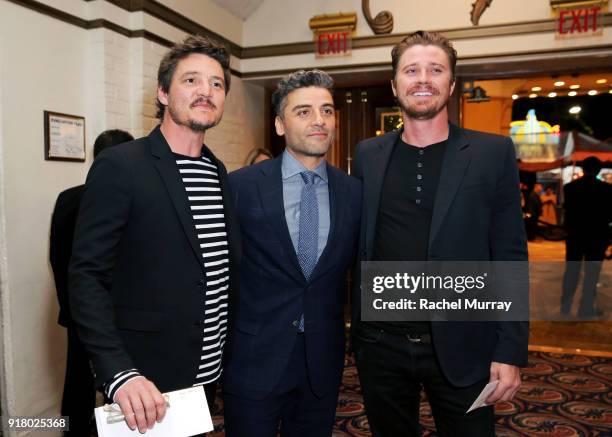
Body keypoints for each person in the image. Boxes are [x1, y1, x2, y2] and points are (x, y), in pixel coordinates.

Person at [352, 31, 528, 437]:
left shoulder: (492, 153)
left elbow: (510, 254)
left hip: (465, 341)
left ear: (451, 84)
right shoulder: (368, 155)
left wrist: (510, 348)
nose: (423, 78)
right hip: (381, 345)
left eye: (435, 69)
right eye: (411, 70)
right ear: (394, 84)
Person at [69, 34, 240, 434]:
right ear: (163, 92)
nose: (206, 91)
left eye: (217, 84)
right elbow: (86, 276)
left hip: (204, 379)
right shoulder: (122, 166)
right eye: (191, 80)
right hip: (142, 383)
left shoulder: (219, 174)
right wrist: (119, 372)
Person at [222, 70, 361, 437]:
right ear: (280, 125)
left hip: (322, 363)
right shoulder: (240, 187)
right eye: (303, 112)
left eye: (327, 111)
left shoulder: (355, 193)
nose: (319, 121)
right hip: (254, 360)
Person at [50, 129, 133, 436]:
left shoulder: (68, 198)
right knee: (121, 384)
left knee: (78, 382)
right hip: (116, 313)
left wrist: (70, 307)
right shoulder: (129, 199)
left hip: (77, 308)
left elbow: (57, 258)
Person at [561, 156, 612, 317]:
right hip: (597, 237)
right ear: (598, 170)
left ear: (583, 169)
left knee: (571, 272)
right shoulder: (607, 189)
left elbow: (567, 213)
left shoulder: (570, 188)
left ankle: (566, 306)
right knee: (592, 274)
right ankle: (586, 308)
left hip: (575, 236)